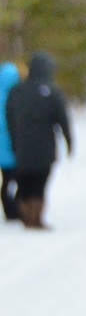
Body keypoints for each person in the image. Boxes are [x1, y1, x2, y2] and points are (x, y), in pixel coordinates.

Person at [4, 51, 73, 231]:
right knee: (40, 183)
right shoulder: (52, 91)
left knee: (24, 182)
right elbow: (63, 119)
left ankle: (26, 214)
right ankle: (35, 217)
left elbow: (9, 118)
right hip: (45, 148)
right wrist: (69, 141)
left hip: (22, 147)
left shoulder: (16, 91)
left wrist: (14, 141)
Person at [0, 59, 19, 224]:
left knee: (6, 181)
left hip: (2, 149)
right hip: (14, 147)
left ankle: (9, 209)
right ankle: (14, 210)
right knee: (15, 180)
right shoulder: (17, 97)